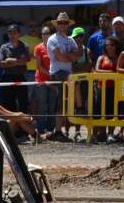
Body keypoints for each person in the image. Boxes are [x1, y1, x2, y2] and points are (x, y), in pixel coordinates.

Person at [46, 12, 80, 141]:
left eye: (65, 23)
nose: (63, 25)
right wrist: (70, 56)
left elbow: (78, 55)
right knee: (60, 103)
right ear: (56, 25)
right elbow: (62, 57)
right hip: (57, 74)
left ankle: (59, 131)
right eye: (60, 22)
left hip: (66, 74)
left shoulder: (70, 39)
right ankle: (58, 131)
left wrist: (67, 56)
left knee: (64, 103)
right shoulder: (52, 39)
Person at [94, 36, 121, 143]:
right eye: (107, 45)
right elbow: (96, 70)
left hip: (115, 88)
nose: (109, 47)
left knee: (112, 111)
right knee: (99, 111)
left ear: (116, 46)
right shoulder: (101, 58)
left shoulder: (119, 58)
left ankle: (110, 133)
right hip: (101, 87)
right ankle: (100, 133)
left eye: (112, 45)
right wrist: (110, 73)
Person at [0, 24, 30, 113]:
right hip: (7, 78)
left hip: (21, 77)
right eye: (10, 33)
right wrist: (18, 62)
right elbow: (1, 64)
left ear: (19, 34)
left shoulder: (24, 46)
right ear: (8, 35)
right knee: (8, 104)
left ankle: (22, 122)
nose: (12, 35)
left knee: (23, 103)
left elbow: (25, 61)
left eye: (15, 33)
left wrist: (10, 60)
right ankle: (10, 122)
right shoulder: (3, 47)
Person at [70, 26, 92, 142]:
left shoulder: (86, 50)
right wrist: (82, 68)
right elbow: (72, 67)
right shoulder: (70, 50)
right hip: (75, 84)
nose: (78, 39)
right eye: (76, 37)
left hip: (85, 82)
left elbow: (89, 67)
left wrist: (79, 68)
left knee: (86, 107)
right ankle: (76, 133)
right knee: (75, 108)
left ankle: (89, 133)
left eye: (80, 36)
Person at [33, 25, 55, 136]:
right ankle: (41, 129)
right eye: (43, 34)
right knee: (42, 105)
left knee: (52, 105)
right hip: (41, 80)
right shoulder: (38, 48)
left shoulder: (54, 47)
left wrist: (53, 75)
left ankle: (50, 129)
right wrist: (50, 74)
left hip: (53, 80)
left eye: (47, 33)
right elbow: (38, 66)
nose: (45, 36)